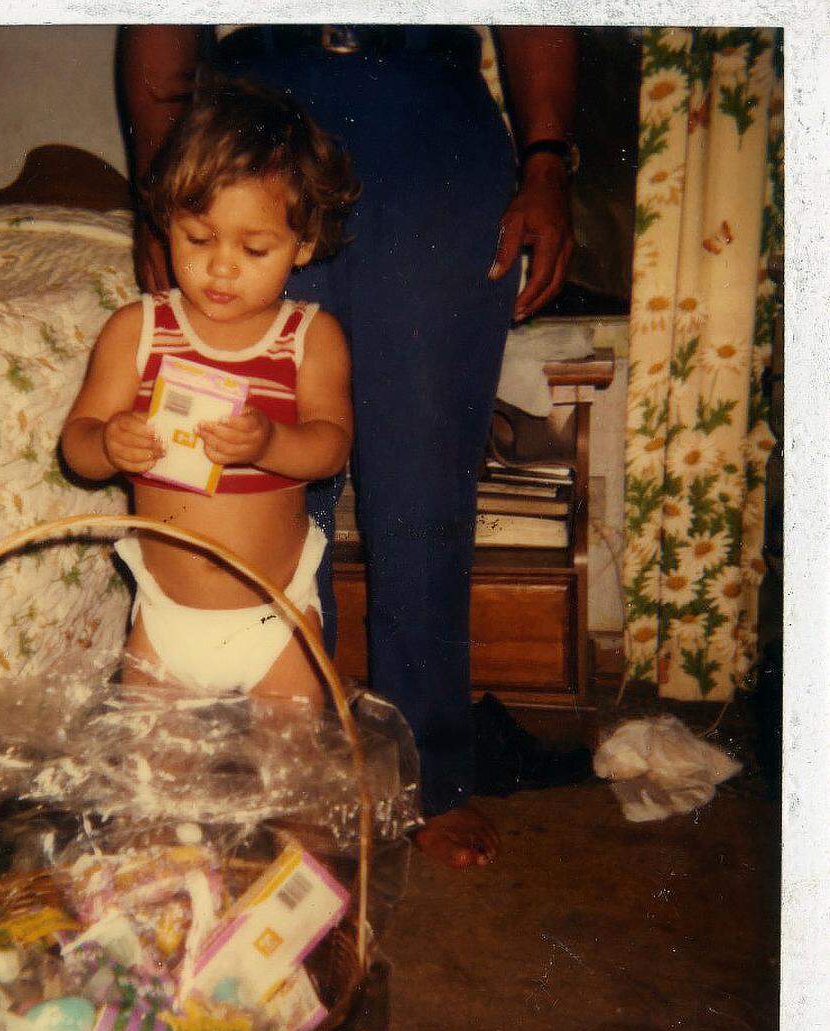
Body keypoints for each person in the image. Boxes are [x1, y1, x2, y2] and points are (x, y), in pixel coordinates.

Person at [118, 24, 579, 868]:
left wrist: (546, 158)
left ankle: (428, 773)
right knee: (252, 464)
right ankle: (282, 772)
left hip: (428, 114)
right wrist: (160, 182)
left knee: (426, 475)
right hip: (256, 103)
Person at [61, 77, 360, 703]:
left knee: (295, 772)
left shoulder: (310, 336)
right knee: (154, 783)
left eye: (254, 248)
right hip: (165, 617)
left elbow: (331, 448)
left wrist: (269, 442)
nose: (222, 266)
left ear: (302, 246)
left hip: (274, 616)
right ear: (167, 219)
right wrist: (109, 443)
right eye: (198, 239)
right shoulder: (137, 330)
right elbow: (77, 449)